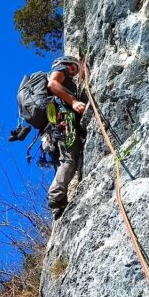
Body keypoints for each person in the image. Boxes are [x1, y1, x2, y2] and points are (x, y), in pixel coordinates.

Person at [45, 55, 87, 218]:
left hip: (57, 128)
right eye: (72, 68)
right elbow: (52, 84)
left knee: (64, 161)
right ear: (65, 64)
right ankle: (56, 196)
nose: (73, 72)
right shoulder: (60, 70)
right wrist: (74, 101)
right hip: (65, 122)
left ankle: (59, 202)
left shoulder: (66, 78)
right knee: (69, 160)